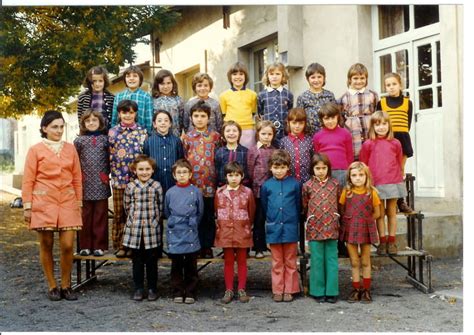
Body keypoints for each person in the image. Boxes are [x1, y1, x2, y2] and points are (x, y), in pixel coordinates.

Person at [22, 110, 82, 301]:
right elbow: (28, 180)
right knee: (46, 244)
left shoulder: (70, 148)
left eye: (61, 127)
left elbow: (77, 177)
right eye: (54, 127)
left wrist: (78, 202)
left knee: (67, 245)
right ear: (44, 128)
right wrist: (27, 206)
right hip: (43, 202)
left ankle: (66, 285)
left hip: (67, 201)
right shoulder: (35, 150)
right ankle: (52, 286)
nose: (58, 130)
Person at [360, 111, 407, 256]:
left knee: (391, 212)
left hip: (393, 180)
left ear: (389, 125)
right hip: (376, 183)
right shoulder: (368, 144)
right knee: (379, 213)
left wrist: (400, 175)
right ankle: (382, 241)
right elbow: (363, 163)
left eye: (384, 124)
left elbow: (398, 161)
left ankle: (391, 241)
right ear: (372, 126)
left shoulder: (395, 143)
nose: (381, 127)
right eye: (377, 124)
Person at [182, 100, 222, 259]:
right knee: (194, 215)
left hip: (211, 183)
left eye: (203, 116)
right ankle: (195, 245)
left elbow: (219, 158)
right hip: (193, 185)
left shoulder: (215, 137)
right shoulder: (187, 138)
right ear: (191, 118)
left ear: (209, 117)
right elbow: (184, 158)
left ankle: (207, 246)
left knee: (208, 216)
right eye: (196, 116)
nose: (199, 119)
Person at [260, 150, 301, 302]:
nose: (279, 170)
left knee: (290, 260)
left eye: (282, 167)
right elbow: (265, 206)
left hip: (290, 228)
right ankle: (278, 289)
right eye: (276, 167)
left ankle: (290, 289)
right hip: (274, 227)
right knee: (277, 261)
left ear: (287, 168)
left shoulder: (295, 184)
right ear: (270, 167)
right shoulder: (266, 186)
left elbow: (298, 205)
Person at [108, 100, 148, 257]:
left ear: (135, 114)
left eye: (131, 112)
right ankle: (120, 245)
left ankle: (134, 245)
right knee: (119, 214)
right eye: (124, 112)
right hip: (119, 179)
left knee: (135, 214)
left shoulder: (142, 132)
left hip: (137, 182)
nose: (128, 115)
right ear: (119, 114)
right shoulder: (112, 132)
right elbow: (108, 155)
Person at [123, 155, 163, 301]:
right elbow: (127, 206)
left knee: (152, 261)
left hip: (151, 230)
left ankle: (153, 288)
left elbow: (160, 206)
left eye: (147, 169)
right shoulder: (131, 186)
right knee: (137, 261)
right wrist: (134, 220)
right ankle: (138, 288)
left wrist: (154, 221)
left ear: (152, 170)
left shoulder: (156, 186)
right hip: (135, 230)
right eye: (141, 169)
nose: (144, 172)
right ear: (135, 171)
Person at [339, 161, 381, 303]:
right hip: (350, 230)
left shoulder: (372, 193)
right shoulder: (347, 192)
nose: (358, 178)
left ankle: (366, 290)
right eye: (354, 175)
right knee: (355, 262)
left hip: (365, 230)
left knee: (365, 261)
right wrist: (351, 221)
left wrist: (365, 221)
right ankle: (356, 289)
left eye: (361, 175)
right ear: (349, 177)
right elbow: (342, 210)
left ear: (366, 176)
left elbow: (377, 213)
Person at [215, 162, 256, 304]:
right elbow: (216, 211)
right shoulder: (219, 192)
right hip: (225, 232)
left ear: (242, 176)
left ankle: (242, 289)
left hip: (242, 231)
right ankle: (229, 289)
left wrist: (246, 226)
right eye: (230, 175)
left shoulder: (248, 192)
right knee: (228, 262)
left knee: (242, 261)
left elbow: (251, 213)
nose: (234, 178)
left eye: (237, 175)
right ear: (225, 176)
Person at [164, 159, 204, 304]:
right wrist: (175, 222)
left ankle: (191, 291)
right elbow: (167, 211)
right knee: (176, 264)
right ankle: (177, 291)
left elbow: (200, 212)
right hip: (176, 231)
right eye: (179, 173)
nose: (182, 175)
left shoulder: (196, 192)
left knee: (191, 265)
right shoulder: (170, 192)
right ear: (174, 175)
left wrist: (192, 223)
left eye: (185, 172)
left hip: (190, 231)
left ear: (190, 174)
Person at [302, 153, 340, 303]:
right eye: (318, 168)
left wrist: (337, 217)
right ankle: (317, 291)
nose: (321, 171)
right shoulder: (307, 186)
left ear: (328, 168)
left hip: (331, 225)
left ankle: (332, 291)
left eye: (324, 168)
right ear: (313, 169)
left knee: (331, 259)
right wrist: (310, 218)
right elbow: (304, 205)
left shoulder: (335, 184)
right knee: (317, 260)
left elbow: (339, 202)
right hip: (315, 227)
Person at [73, 110, 111, 257]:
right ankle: (85, 245)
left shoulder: (105, 140)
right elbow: (74, 161)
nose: (91, 123)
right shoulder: (79, 141)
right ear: (83, 124)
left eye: (94, 121)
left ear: (100, 123)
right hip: (85, 183)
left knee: (100, 216)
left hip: (101, 183)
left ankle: (99, 246)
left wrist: (105, 175)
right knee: (86, 216)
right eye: (88, 121)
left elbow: (109, 159)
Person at [376, 72, 414, 213]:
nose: (391, 87)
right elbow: (378, 121)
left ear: (400, 85)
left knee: (400, 170)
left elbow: (407, 124)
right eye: (388, 85)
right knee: (388, 170)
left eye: (394, 84)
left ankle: (401, 201)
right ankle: (389, 197)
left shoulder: (407, 102)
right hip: (387, 141)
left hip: (402, 140)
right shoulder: (382, 103)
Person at [247, 120, 276, 258]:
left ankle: (266, 244)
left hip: (271, 191)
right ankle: (257, 247)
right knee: (258, 219)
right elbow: (250, 169)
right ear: (258, 134)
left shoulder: (274, 150)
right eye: (263, 133)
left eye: (269, 134)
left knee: (267, 218)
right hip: (258, 190)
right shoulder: (253, 150)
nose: (266, 136)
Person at [337, 63, 379, 160]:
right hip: (353, 132)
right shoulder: (343, 97)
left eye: (362, 78)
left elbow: (377, 112)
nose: (359, 81)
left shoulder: (373, 95)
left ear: (366, 79)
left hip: (369, 130)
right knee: (356, 156)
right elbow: (340, 118)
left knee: (371, 157)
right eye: (355, 78)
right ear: (349, 79)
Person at [144, 110, 184, 194]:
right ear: (154, 124)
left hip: (172, 180)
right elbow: (146, 160)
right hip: (155, 180)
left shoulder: (176, 141)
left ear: (170, 124)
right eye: (159, 120)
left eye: (166, 120)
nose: (163, 123)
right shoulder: (149, 141)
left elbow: (180, 160)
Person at [313, 102, 353, 186]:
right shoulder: (317, 136)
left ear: (338, 117)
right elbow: (317, 155)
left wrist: (348, 170)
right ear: (322, 120)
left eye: (333, 118)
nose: (330, 121)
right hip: (325, 171)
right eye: (327, 119)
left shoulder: (345, 133)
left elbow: (350, 155)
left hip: (342, 171)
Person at [219, 61, 257, 149]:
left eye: (241, 74)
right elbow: (224, 114)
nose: (238, 77)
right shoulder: (223, 95)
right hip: (231, 131)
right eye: (235, 74)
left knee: (247, 155)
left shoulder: (253, 95)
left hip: (248, 131)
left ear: (245, 76)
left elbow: (253, 112)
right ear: (230, 77)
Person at [257, 62, 293, 145]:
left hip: (284, 133)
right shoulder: (261, 95)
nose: (274, 76)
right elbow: (260, 114)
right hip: (267, 135)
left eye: (278, 74)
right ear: (267, 76)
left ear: (283, 76)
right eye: (271, 74)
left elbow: (290, 113)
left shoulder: (288, 94)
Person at [111, 65, 154, 133]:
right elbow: (114, 118)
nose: (131, 78)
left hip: (140, 136)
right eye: (128, 76)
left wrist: (147, 135)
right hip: (121, 135)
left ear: (140, 79)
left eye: (135, 76)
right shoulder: (118, 97)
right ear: (125, 79)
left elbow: (149, 120)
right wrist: (113, 133)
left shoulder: (146, 97)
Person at [296, 62, 336, 136]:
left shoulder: (329, 95)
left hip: (328, 134)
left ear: (324, 78)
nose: (316, 80)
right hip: (309, 135)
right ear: (308, 79)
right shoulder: (302, 97)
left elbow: (335, 115)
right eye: (313, 77)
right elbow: (299, 118)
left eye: (319, 77)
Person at [278, 108, 314, 184]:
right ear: (288, 123)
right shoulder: (283, 141)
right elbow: (280, 160)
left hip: (306, 181)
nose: (297, 126)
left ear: (305, 124)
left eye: (301, 123)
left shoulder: (309, 141)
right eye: (294, 123)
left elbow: (313, 158)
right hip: (288, 182)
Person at [76, 65, 115, 130]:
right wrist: (82, 131)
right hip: (88, 132)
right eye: (94, 81)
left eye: (100, 81)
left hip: (106, 132)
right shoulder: (83, 97)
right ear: (89, 82)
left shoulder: (111, 97)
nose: (97, 84)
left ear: (104, 82)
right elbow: (80, 118)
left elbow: (113, 117)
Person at [215, 120, 249, 187]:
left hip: (242, 187)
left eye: (234, 131)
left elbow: (247, 171)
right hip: (223, 187)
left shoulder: (245, 151)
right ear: (223, 134)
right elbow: (217, 170)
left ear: (239, 133)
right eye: (228, 131)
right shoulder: (219, 152)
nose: (231, 133)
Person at [152, 69, 185, 137]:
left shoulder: (178, 100)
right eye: (162, 84)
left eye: (168, 83)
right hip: (157, 136)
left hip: (175, 136)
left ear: (173, 83)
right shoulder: (152, 100)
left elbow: (182, 119)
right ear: (157, 85)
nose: (166, 87)